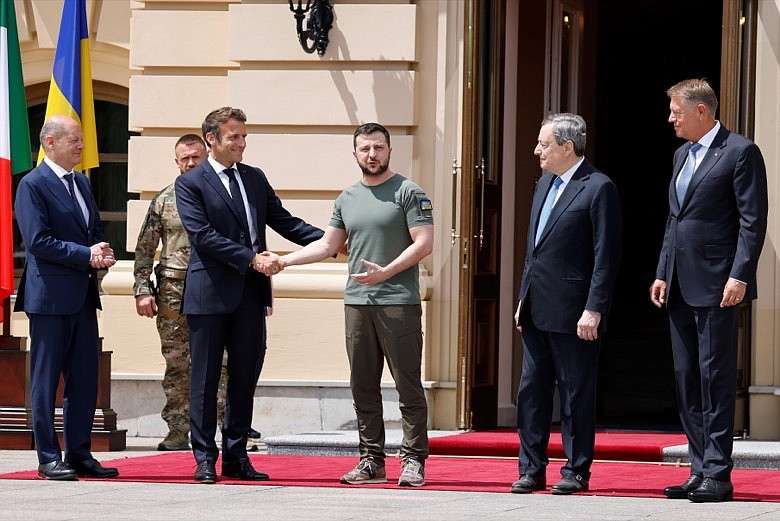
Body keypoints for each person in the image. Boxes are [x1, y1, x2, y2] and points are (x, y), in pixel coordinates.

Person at [273, 122, 434, 487]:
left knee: (407, 384)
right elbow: (328, 245)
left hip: (398, 302)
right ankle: (371, 461)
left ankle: (413, 460)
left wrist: (386, 272)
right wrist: (284, 261)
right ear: (355, 154)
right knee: (362, 384)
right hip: (357, 302)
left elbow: (424, 243)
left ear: (389, 151)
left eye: (378, 148)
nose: (372, 155)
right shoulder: (346, 197)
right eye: (365, 149)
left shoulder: (408, 192)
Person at [175, 107, 323, 484]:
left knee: (245, 378)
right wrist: (252, 259)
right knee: (205, 382)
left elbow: (285, 221)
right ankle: (205, 458)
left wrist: (334, 241)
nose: (241, 143)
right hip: (209, 295)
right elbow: (203, 236)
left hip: (250, 296)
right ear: (212, 139)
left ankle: (237, 457)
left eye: (243, 136)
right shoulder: (191, 182)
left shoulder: (254, 178)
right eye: (234, 137)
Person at [650, 79, 768, 503]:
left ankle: (719, 473)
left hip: (720, 285)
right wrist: (664, 270)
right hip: (680, 284)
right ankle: (699, 469)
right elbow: (674, 219)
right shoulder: (682, 154)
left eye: (676, 111)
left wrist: (740, 274)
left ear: (702, 111)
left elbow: (752, 221)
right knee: (687, 379)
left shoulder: (740, 152)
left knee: (714, 377)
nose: (671, 119)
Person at [512, 113, 621, 495]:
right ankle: (531, 468)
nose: (536, 150)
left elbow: (605, 255)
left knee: (575, 393)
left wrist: (595, 307)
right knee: (531, 391)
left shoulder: (598, 187)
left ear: (567, 147)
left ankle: (576, 470)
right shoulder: (544, 184)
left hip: (576, 311)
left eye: (544, 143)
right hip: (536, 307)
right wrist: (523, 297)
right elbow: (534, 250)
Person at [14, 115, 120, 480]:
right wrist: (84, 255)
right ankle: (47, 456)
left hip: (82, 297)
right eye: (74, 140)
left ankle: (79, 453)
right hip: (49, 299)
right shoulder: (33, 184)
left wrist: (101, 251)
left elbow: (92, 228)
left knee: (84, 379)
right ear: (50, 143)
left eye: (81, 140)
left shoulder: (81, 184)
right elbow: (38, 241)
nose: (81, 146)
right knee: (45, 382)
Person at [133, 134, 234, 451]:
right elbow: (144, 249)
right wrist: (141, 291)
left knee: (223, 363)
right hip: (173, 295)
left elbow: (246, 242)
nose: (190, 162)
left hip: (217, 291)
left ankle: (224, 429)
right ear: (176, 162)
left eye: (195, 157)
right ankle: (178, 430)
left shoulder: (223, 196)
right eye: (184, 158)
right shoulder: (164, 200)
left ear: (206, 155)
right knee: (177, 365)